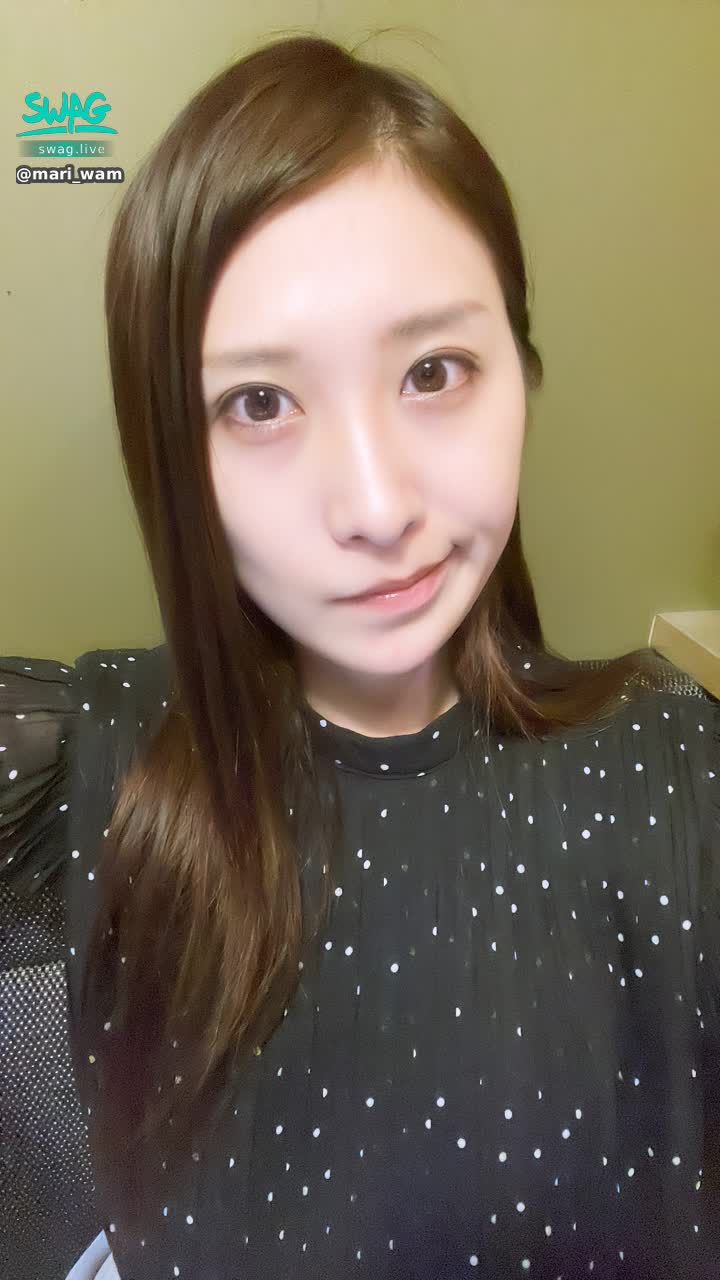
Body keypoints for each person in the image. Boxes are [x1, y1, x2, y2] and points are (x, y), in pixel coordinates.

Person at [1, 30, 718, 1280]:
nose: (379, 506)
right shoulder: (90, 749)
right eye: (260, 403)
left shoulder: (677, 773)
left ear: (522, 371)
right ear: (174, 457)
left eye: (435, 370)